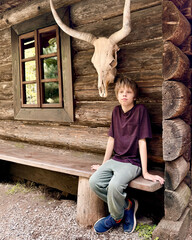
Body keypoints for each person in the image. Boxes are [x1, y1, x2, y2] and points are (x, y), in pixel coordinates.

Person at [89, 78, 164, 234]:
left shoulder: (140, 111)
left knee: (114, 186)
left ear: (134, 96)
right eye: (121, 92)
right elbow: (111, 140)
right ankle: (127, 206)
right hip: (116, 159)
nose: (124, 95)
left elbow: (142, 141)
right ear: (117, 95)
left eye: (128, 92)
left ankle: (115, 217)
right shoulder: (116, 111)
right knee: (94, 182)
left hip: (132, 163)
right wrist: (104, 164)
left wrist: (145, 172)